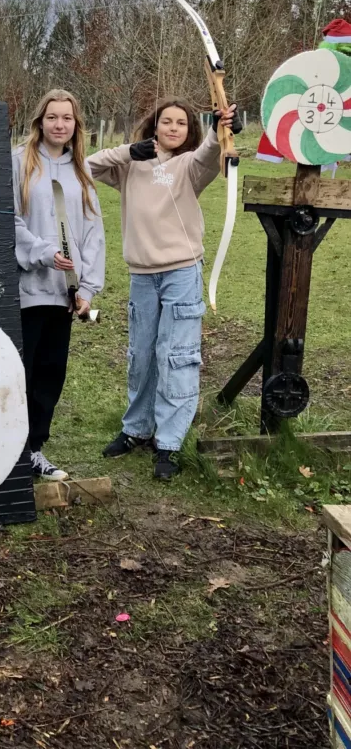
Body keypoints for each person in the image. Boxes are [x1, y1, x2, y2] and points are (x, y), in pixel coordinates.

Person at [87, 100, 239, 480]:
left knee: (176, 355)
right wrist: (127, 150)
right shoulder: (130, 164)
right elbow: (85, 166)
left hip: (181, 274)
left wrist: (222, 125)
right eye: (166, 121)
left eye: (182, 123)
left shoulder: (190, 166)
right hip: (141, 275)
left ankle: (168, 443)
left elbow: (210, 152)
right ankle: (136, 429)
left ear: (190, 130)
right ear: (154, 126)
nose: (173, 128)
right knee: (141, 355)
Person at [12, 89, 105, 481]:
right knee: (21, 371)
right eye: (53, 117)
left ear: (75, 125)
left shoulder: (80, 171)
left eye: (67, 118)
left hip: (63, 294)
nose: (59, 124)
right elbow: (9, 220)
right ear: (40, 120)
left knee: (51, 371)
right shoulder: (19, 163)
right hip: (26, 290)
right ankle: (8, 451)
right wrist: (44, 253)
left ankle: (34, 449)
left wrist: (86, 288)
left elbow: (93, 233)